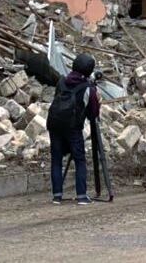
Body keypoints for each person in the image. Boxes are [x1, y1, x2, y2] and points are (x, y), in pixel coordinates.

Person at [47, 53, 101, 205]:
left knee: (56, 160)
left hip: (54, 124)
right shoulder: (88, 88)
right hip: (73, 128)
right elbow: (93, 114)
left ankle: (57, 196)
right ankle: (82, 196)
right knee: (80, 160)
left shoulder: (62, 81)